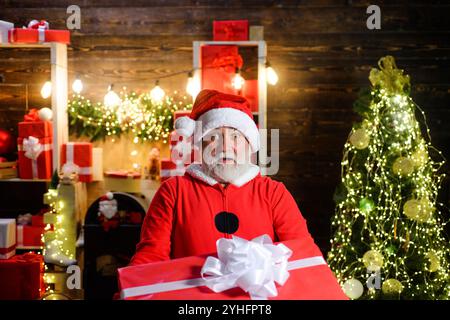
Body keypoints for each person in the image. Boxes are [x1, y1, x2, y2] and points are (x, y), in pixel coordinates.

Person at [129, 89, 318, 265]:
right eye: (214, 137)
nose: (226, 147)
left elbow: (303, 256)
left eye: (236, 137)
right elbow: (151, 257)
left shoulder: (273, 193)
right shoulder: (173, 192)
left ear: (250, 144)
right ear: (200, 144)